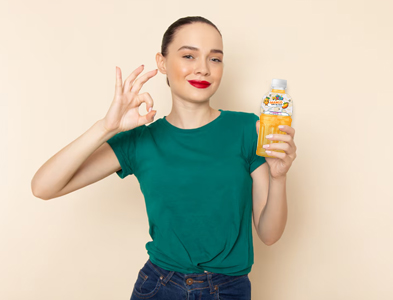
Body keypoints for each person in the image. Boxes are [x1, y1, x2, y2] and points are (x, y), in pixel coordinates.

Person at [31, 16, 297, 300]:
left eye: (215, 59)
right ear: (162, 63)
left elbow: (269, 235)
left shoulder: (248, 129)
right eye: (188, 55)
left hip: (229, 290)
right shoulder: (140, 140)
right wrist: (106, 127)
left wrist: (279, 177)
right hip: (159, 286)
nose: (203, 69)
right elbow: (44, 187)